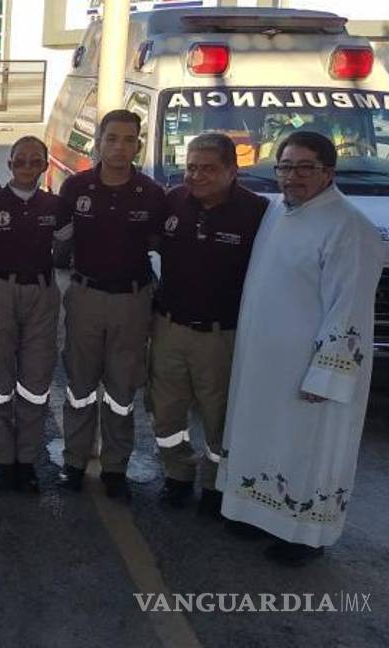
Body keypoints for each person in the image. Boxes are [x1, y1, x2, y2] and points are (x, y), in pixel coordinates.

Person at [218, 131, 383, 566]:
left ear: (328, 172)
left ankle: (304, 537)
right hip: (263, 363)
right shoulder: (278, 211)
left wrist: (326, 374)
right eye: (286, 167)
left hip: (308, 370)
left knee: (306, 450)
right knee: (262, 437)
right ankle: (254, 511)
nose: (293, 177)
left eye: (305, 168)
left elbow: (348, 308)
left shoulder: (349, 227)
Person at [148, 133, 267, 514]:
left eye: (208, 169)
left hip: (220, 335)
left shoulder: (258, 213)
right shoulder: (173, 201)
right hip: (170, 328)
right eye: (191, 167)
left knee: (219, 416)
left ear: (232, 171)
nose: (196, 176)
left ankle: (217, 486)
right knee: (167, 412)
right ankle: (177, 476)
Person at [57, 109, 168, 499]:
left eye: (128, 140)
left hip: (131, 302)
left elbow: (157, 246)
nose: (120, 147)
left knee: (122, 391)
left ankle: (116, 467)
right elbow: (61, 243)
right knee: (80, 386)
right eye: (112, 138)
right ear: (98, 142)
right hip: (86, 296)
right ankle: (74, 461)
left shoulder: (152, 194)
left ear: (138, 145)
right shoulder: (76, 188)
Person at [0, 135, 70, 493]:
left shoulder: (56, 206)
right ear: (9, 164)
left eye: (34, 160)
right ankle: (4, 460)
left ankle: (26, 461)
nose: (27, 166)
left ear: (44, 166)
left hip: (41, 293)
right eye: (20, 160)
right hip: (0, 291)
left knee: (35, 381)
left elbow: (71, 244)